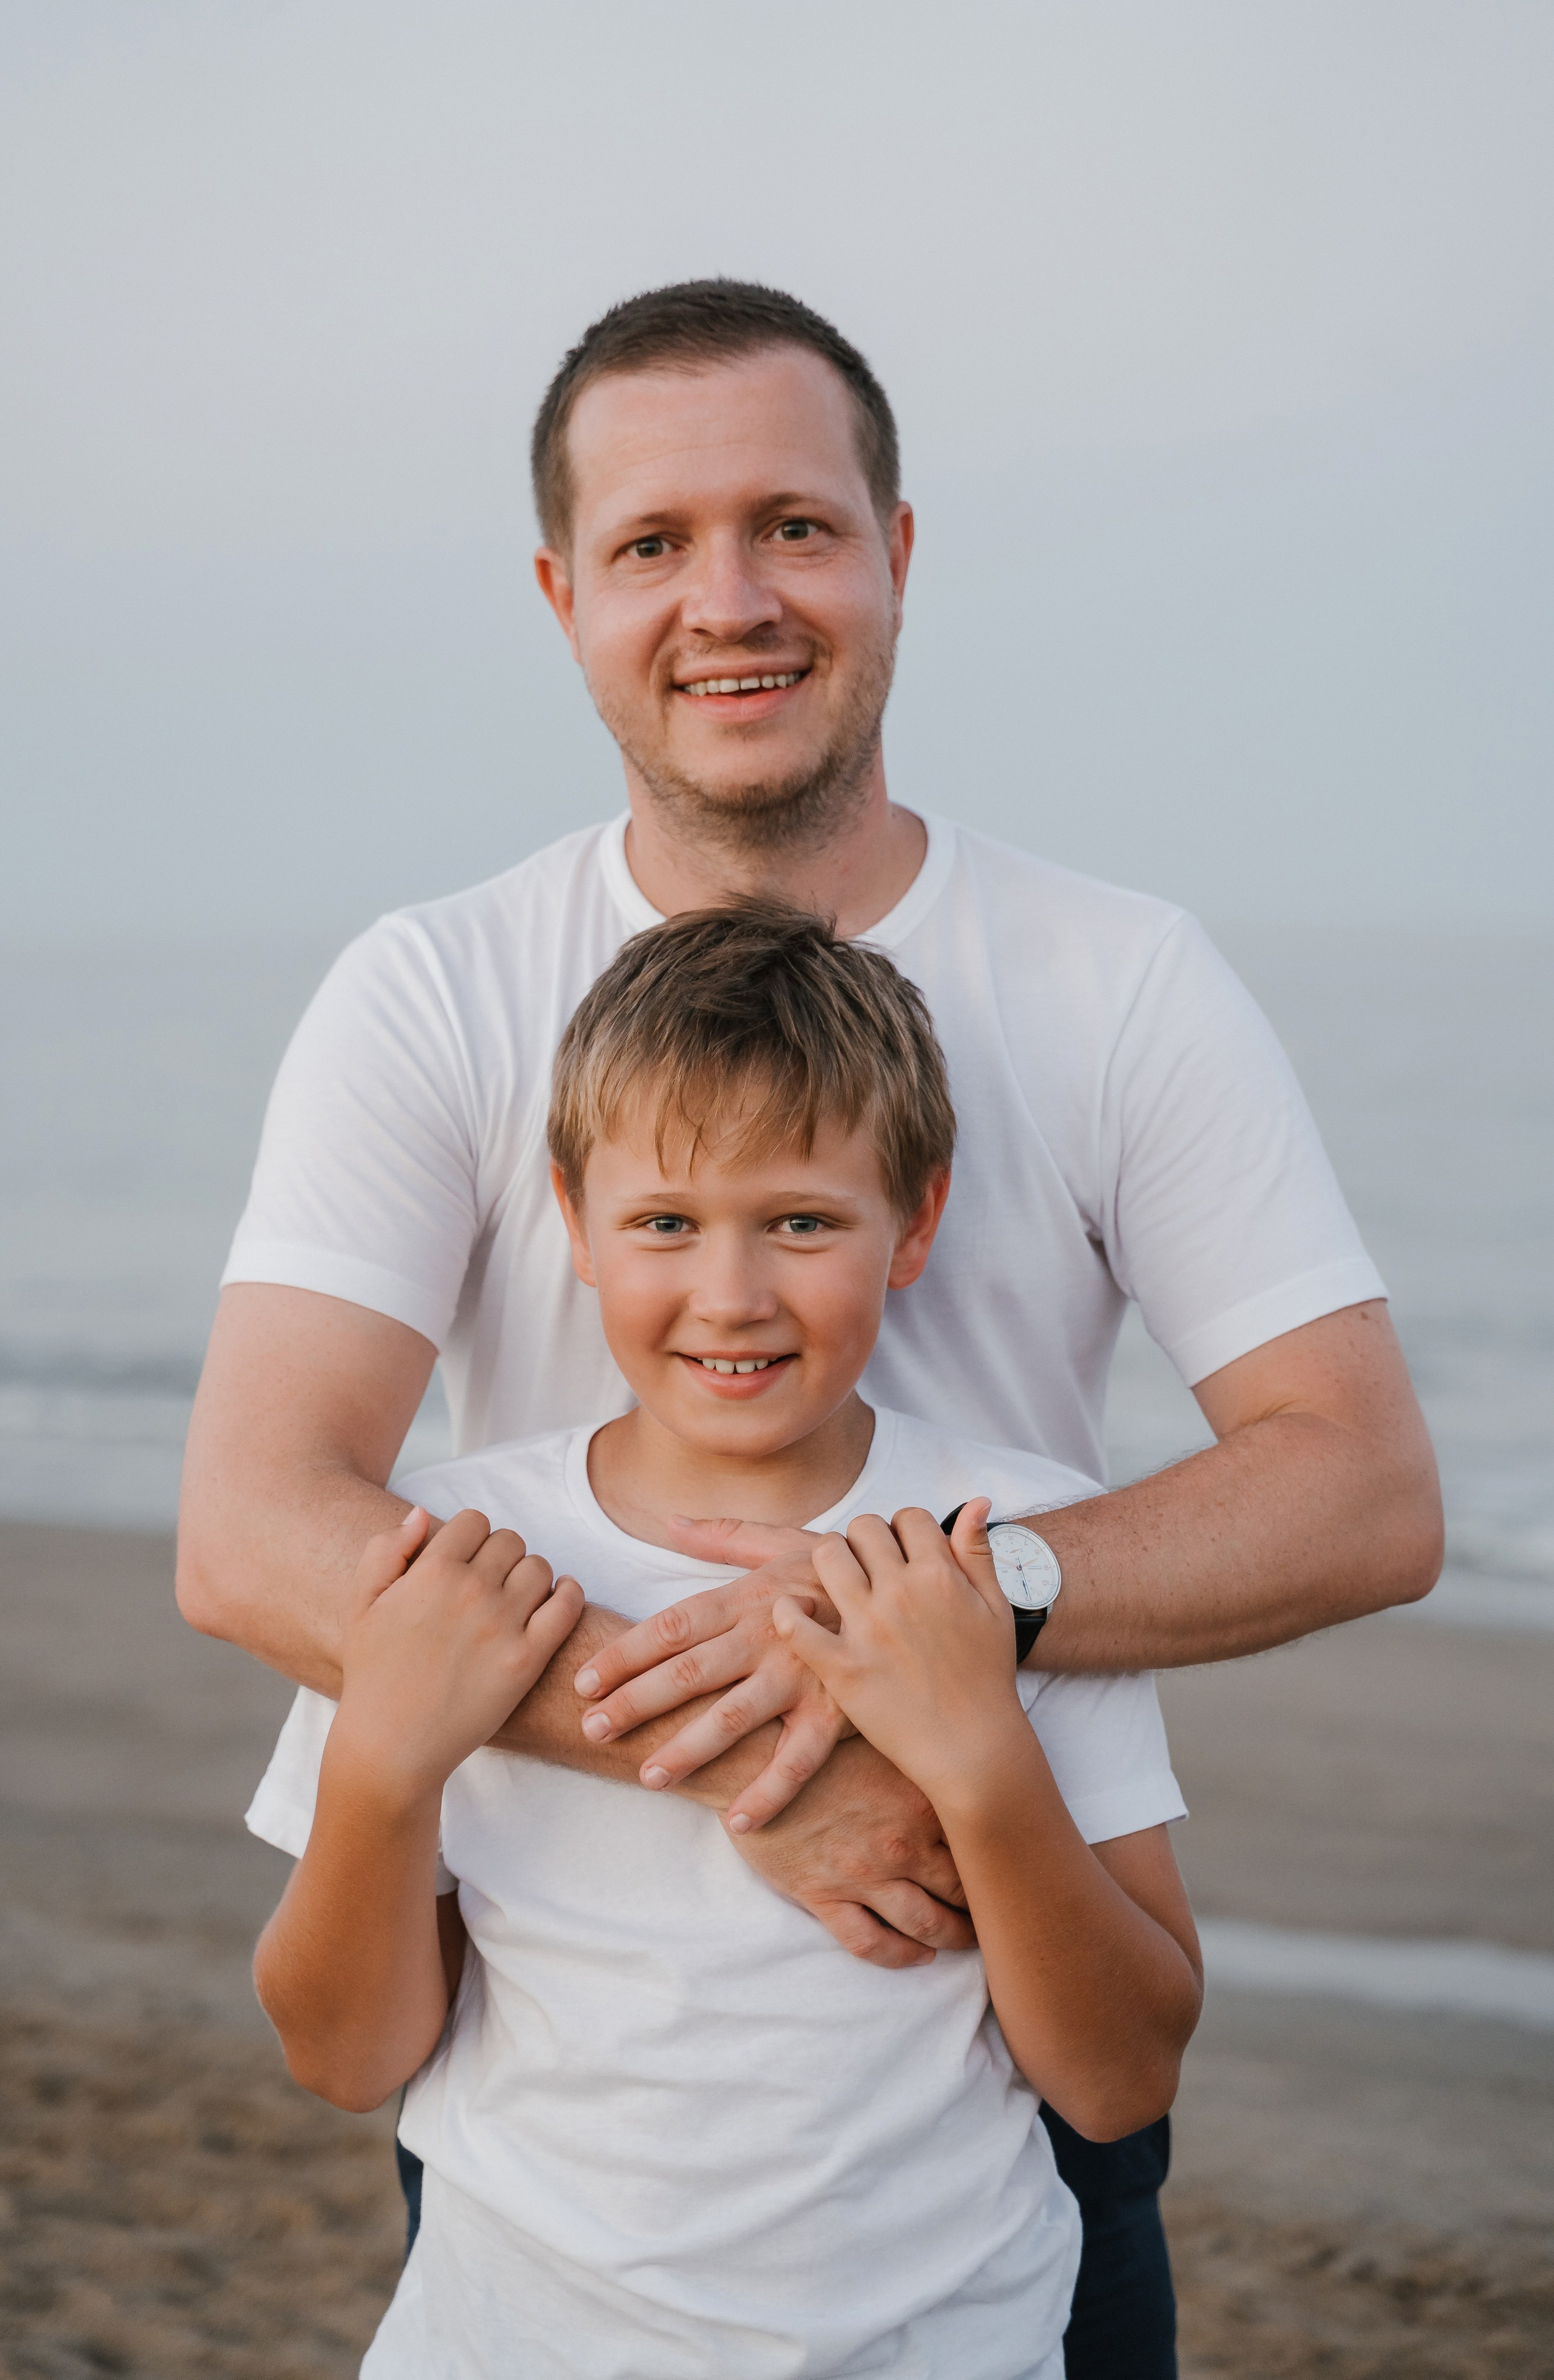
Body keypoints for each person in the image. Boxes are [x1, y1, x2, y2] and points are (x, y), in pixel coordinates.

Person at [178, 279, 1443, 2376]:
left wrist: (954, 1633)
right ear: (563, 591)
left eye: (795, 523)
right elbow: (253, 1526)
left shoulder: (1121, 980)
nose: (731, 597)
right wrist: (771, 1763)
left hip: (984, 2011)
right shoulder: (434, 989)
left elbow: (1362, 1480)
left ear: (898, 556)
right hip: (561, 2054)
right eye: (655, 544)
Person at [247, 904, 1202, 2380]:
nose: (733, 1294)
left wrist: (977, 1757)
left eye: (803, 1221)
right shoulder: (446, 1559)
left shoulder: (1011, 1543)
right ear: (572, 1221)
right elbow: (344, 2057)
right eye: (666, 1223)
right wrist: (383, 1758)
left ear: (917, 1219)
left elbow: (1119, 2076)